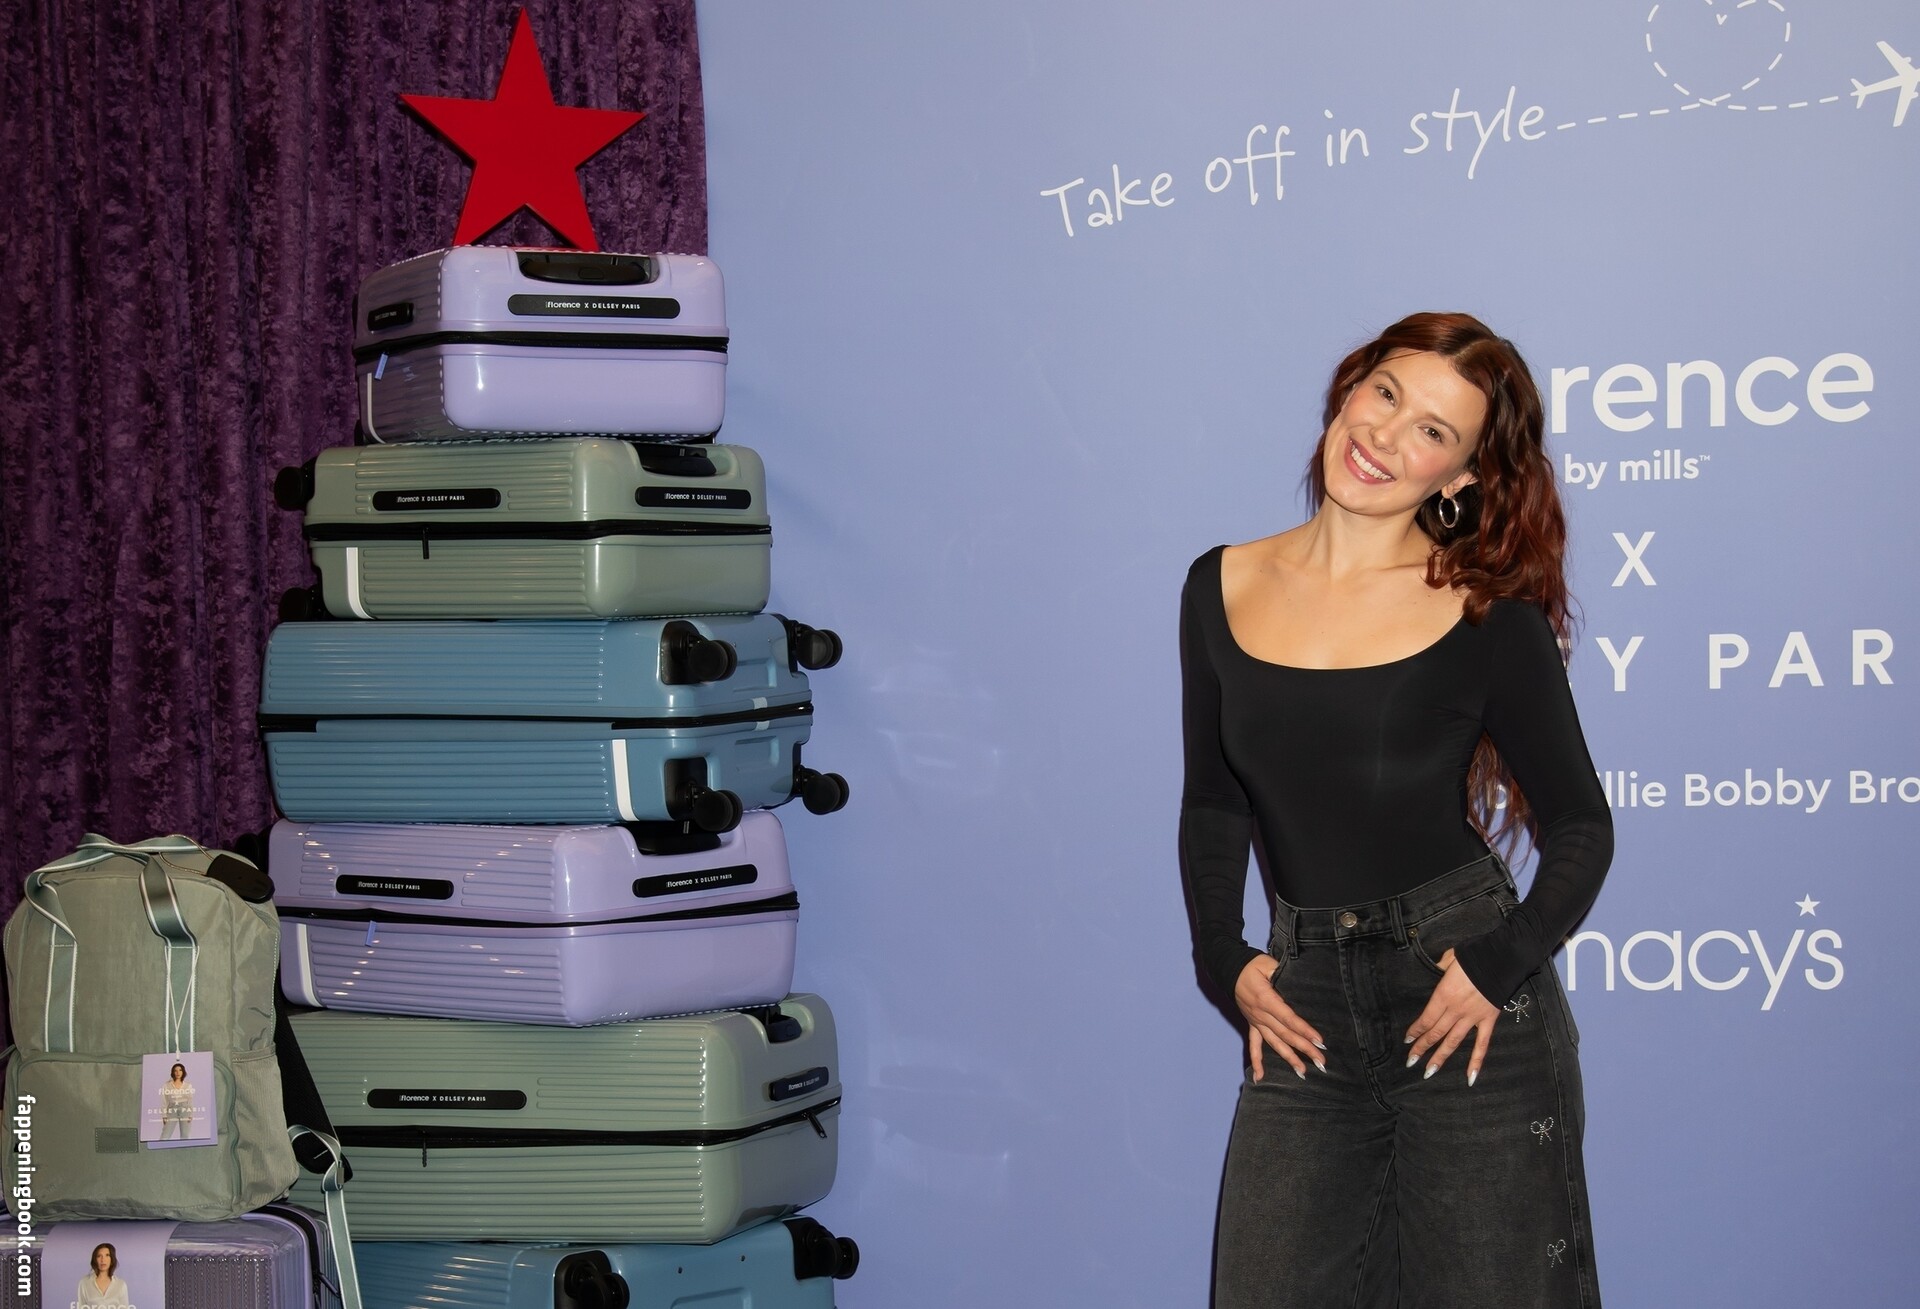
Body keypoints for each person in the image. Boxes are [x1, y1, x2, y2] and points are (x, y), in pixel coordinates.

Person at [1181, 312, 1612, 1308]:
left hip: (1461, 1004)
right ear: (1350, 387)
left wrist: (1499, 963)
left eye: (1432, 430)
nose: (1384, 434)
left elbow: (1583, 826)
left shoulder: (1485, 613)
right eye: (1385, 393)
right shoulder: (1219, 584)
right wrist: (1222, 955)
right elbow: (1214, 800)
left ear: (1458, 475)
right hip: (1304, 1004)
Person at [158, 1060, 196, 1140]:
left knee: (185, 1135)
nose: (178, 1072)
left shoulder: (188, 1085)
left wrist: (191, 1114)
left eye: (180, 1070)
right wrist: (164, 1115)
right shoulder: (167, 1085)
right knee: (165, 1136)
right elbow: (164, 1101)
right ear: (173, 1072)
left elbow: (190, 1101)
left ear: (183, 1072)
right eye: (175, 1070)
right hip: (172, 1109)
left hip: (185, 1109)